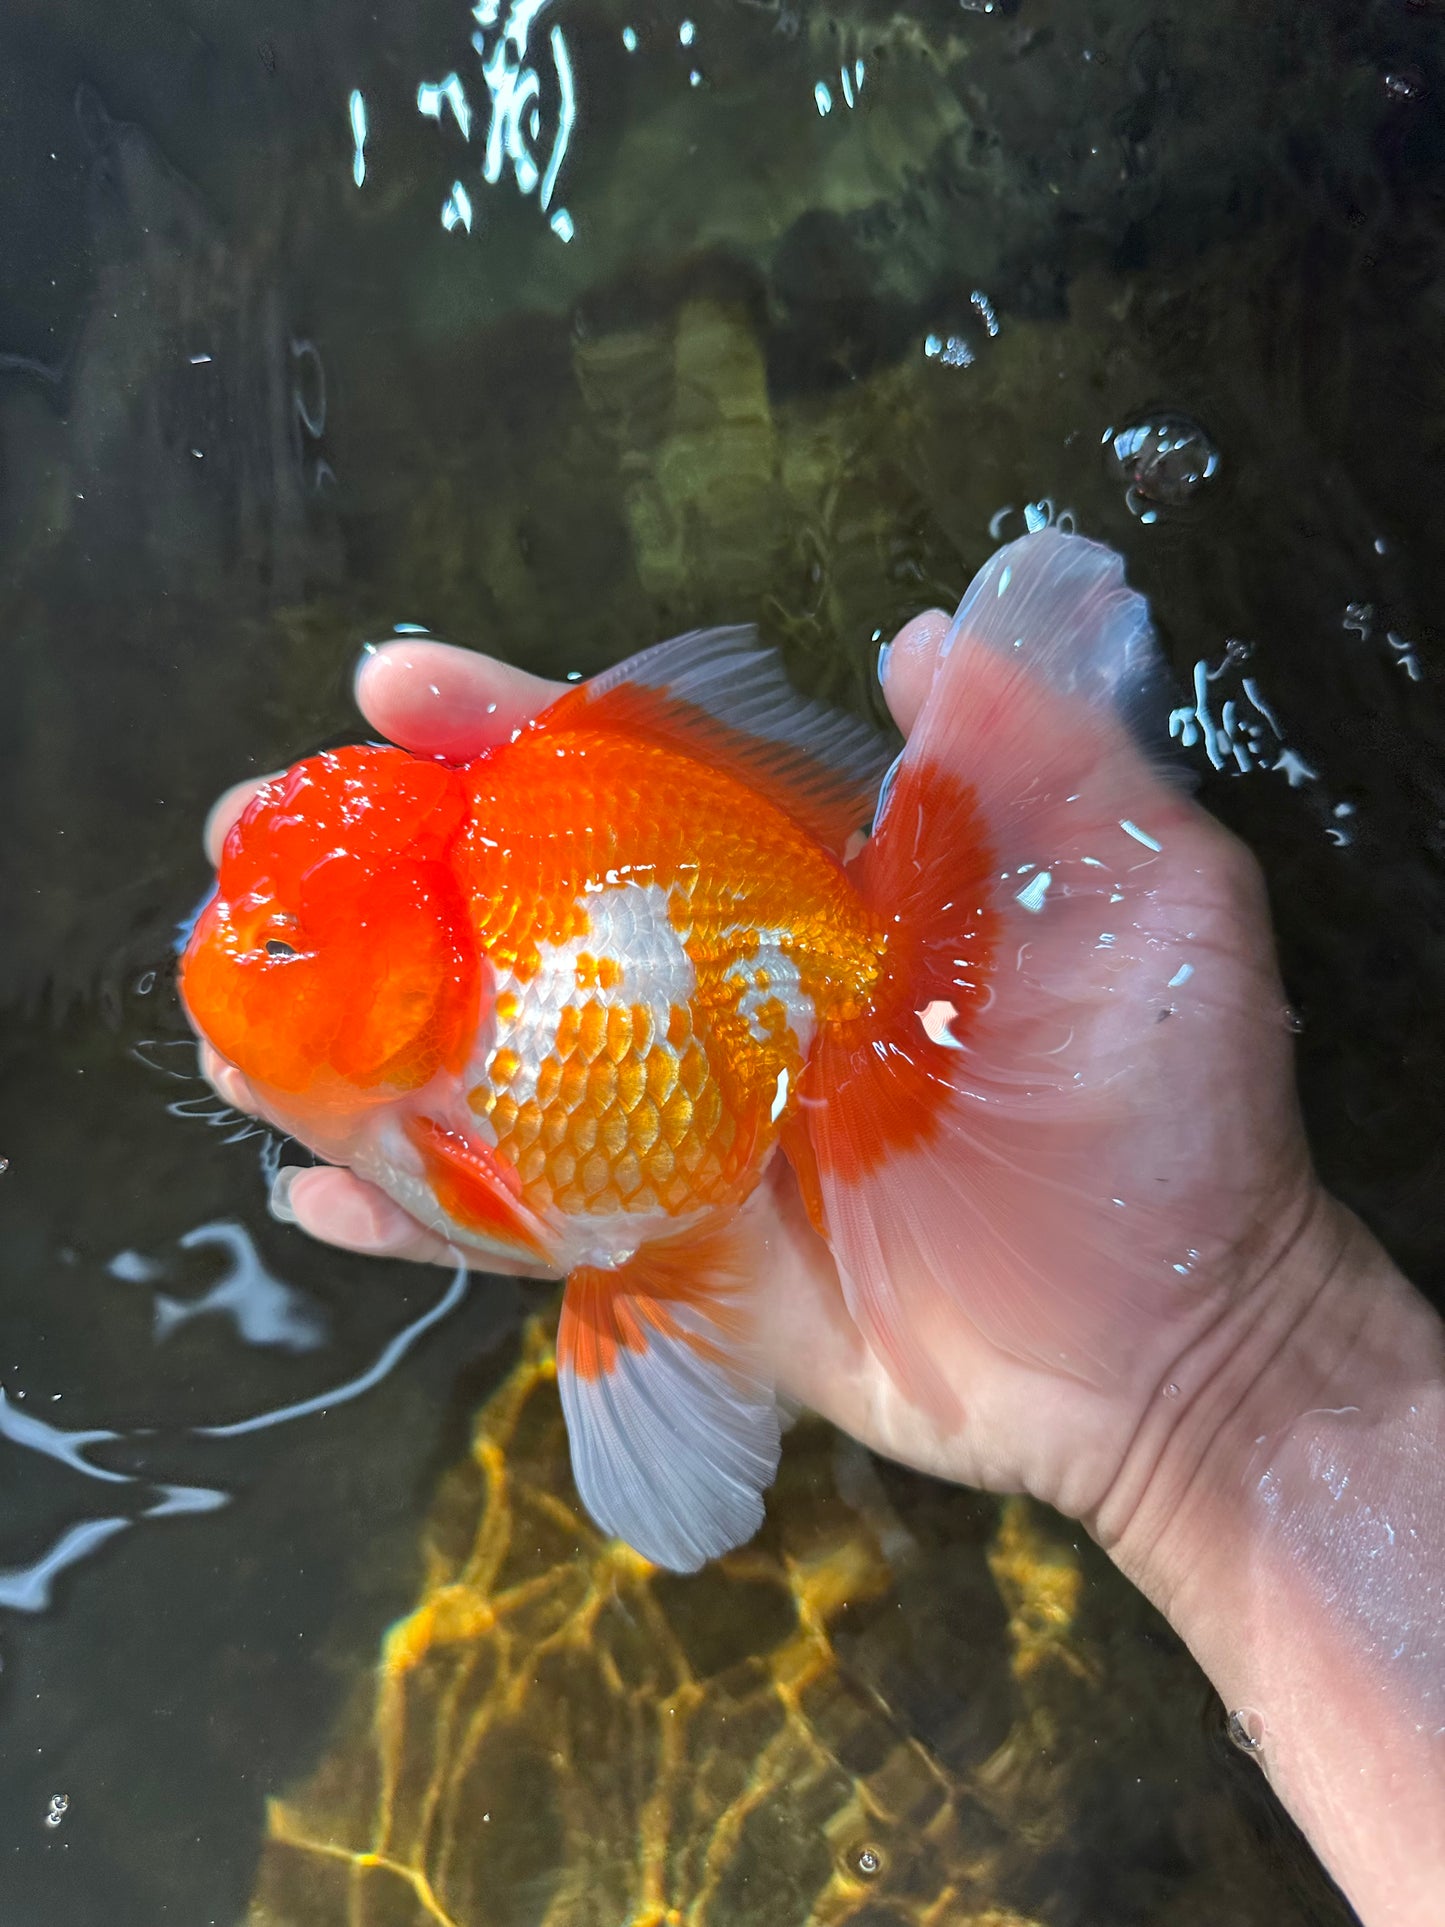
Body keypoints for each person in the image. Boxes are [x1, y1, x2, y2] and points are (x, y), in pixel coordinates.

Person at [201, 612, 1445, 1927]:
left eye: (273, 946)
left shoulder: (455, 1089)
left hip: (766, 1017)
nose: (221, 947)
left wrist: (1212, 1372)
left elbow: (544, 1209)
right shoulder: (425, 1069)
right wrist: (1216, 1381)